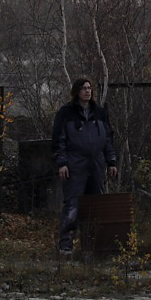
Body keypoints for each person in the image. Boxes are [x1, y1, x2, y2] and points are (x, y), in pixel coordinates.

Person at [51, 77, 119, 253]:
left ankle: (93, 245)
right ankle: (66, 245)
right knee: (73, 204)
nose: (87, 91)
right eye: (83, 88)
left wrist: (111, 161)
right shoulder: (66, 113)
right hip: (75, 163)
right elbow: (59, 140)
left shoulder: (100, 112)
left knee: (95, 203)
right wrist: (62, 163)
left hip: (96, 163)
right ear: (76, 92)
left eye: (89, 88)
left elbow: (108, 139)